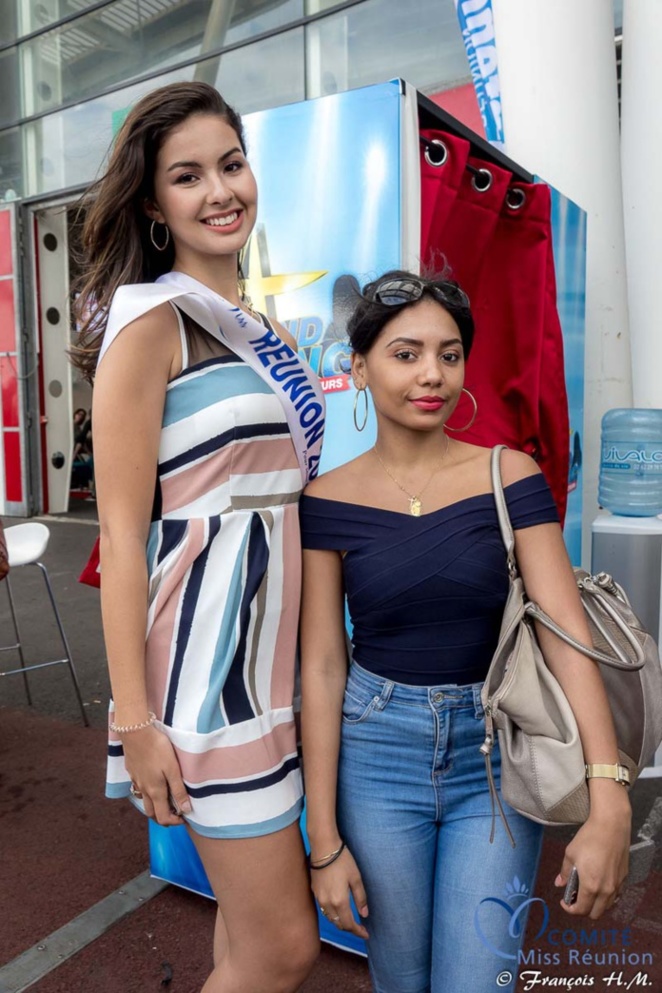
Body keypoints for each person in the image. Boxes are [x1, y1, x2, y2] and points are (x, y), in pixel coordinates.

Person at [299, 271, 631, 993]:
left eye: (449, 355)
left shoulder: (510, 476)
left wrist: (608, 793)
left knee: (479, 978)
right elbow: (322, 668)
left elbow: (566, 637)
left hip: (496, 752)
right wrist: (322, 841)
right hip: (376, 754)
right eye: (406, 353)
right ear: (359, 367)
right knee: (400, 975)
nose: (432, 374)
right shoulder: (324, 501)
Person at [70, 81, 322, 993]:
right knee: (281, 949)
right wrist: (134, 722)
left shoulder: (266, 331)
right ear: (153, 204)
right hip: (206, 681)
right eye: (188, 176)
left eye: (231, 164)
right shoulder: (151, 326)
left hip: (277, 669)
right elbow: (121, 539)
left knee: (242, 932)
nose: (220, 191)